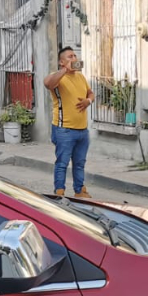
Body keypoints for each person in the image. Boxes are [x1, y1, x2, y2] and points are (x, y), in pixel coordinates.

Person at [42, 46, 93, 197]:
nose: (74, 59)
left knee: (79, 163)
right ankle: (59, 192)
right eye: (70, 57)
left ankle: (80, 190)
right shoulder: (56, 76)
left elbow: (90, 92)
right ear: (61, 62)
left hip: (82, 130)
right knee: (62, 163)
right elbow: (48, 84)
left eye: (75, 56)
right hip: (64, 129)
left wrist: (88, 101)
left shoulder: (81, 77)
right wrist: (65, 70)